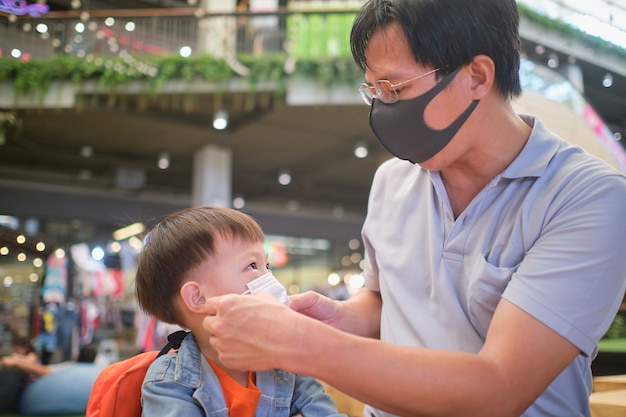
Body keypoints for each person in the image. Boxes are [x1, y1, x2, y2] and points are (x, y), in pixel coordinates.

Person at [201, 0, 626, 416]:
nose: (384, 109)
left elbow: (498, 389)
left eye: (397, 89)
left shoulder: (588, 198)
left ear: (477, 76)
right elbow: (385, 301)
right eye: (374, 91)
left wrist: (295, 342)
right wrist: (339, 319)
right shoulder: (392, 180)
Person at [134, 206, 346, 417]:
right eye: (252, 266)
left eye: (268, 266)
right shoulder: (168, 381)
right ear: (198, 297)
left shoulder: (288, 367)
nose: (269, 279)